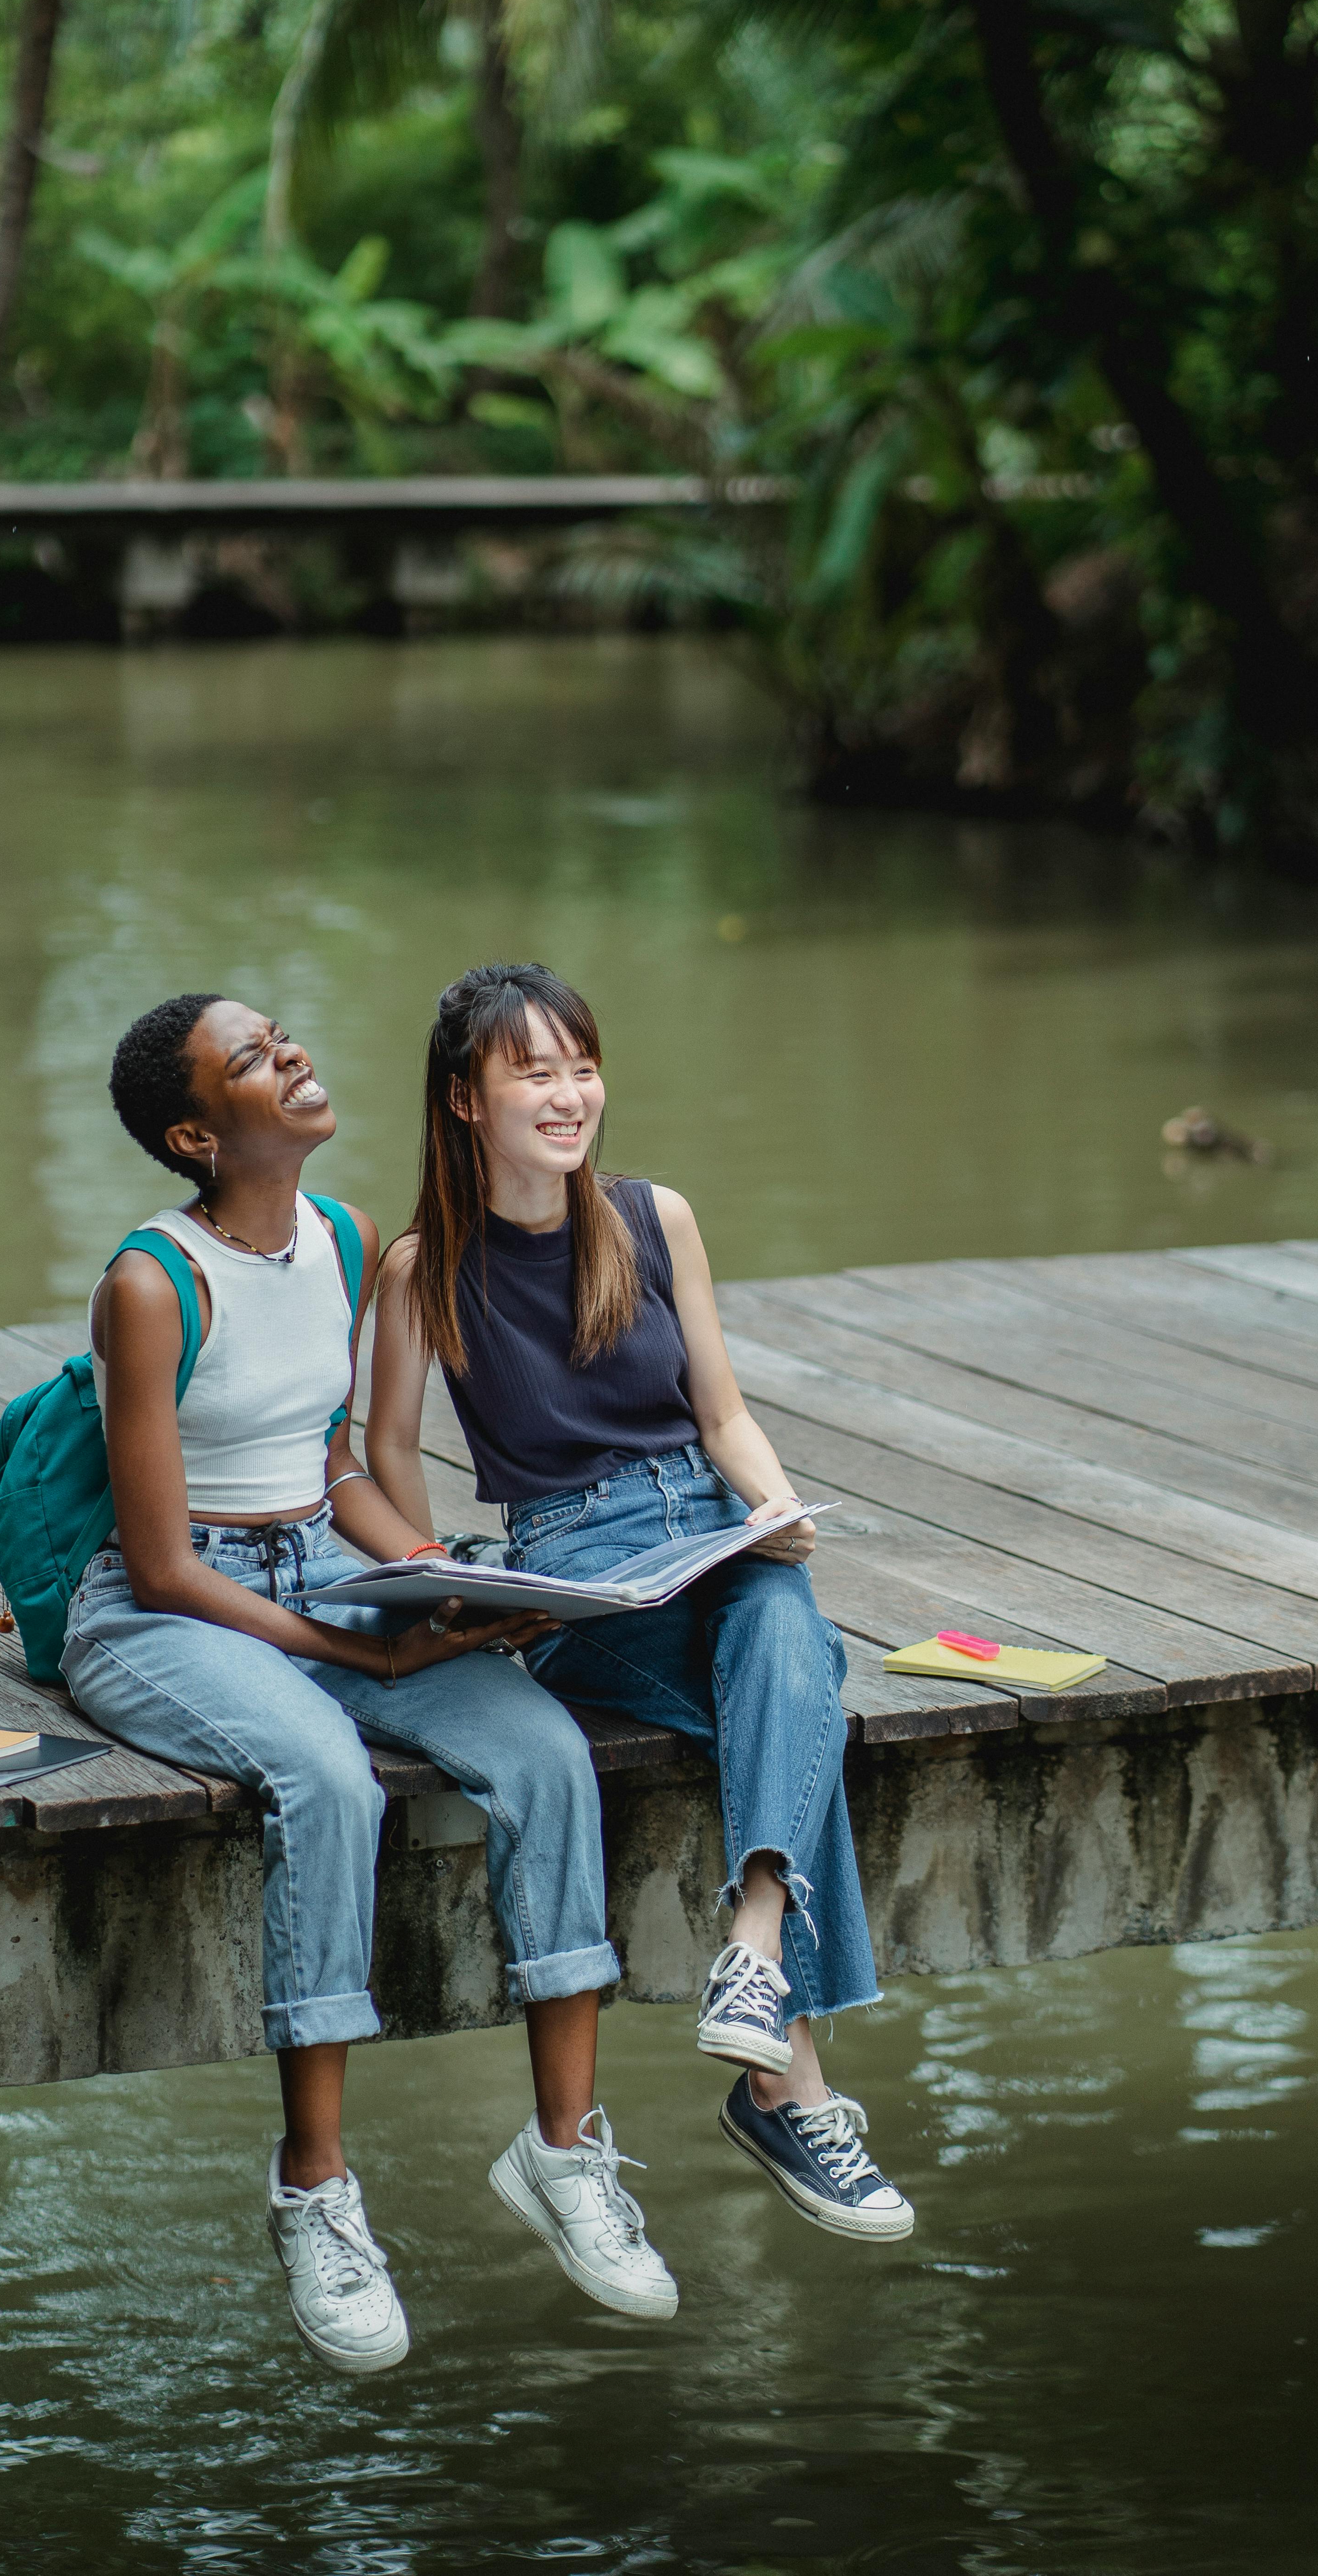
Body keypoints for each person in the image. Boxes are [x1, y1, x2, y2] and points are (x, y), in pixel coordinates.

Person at [61, 992, 676, 2378]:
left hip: (320, 1574)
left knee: (544, 1753)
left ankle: (568, 2153)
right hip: (172, 1612)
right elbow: (159, 1564)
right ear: (194, 1131)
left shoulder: (343, 1241)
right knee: (330, 1777)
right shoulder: (152, 1285)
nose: (296, 1060)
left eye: (284, 1039)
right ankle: (316, 2190)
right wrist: (357, 1654)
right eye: (254, 1062)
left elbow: (331, 1460)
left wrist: (435, 1577)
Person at [366, 961, 915, 2244]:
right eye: (534, 1073)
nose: (570, 1096)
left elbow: (722, 1415)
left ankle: (759, 1949)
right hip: (575, 1578)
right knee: (802, 1679)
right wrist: (440, 1589)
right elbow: (386, 1453)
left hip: (707, 1534)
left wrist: (779, 1513)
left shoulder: (654, 1219)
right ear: (464, 1099)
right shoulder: (419, 1268)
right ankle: (785, 2085)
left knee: (789, 1618)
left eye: (582, 1066)